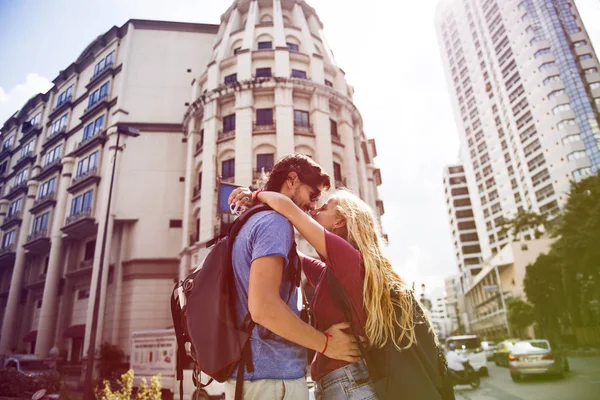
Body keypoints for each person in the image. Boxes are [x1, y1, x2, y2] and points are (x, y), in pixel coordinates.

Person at [229, 186, 429, 399]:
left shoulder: (350, 260)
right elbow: (291, 252)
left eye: (324, 208)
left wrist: (254, 195)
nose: (315, 210)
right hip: (340, 384)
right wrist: (255, 214)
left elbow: (288, 208)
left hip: (349, 385)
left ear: (340, 221)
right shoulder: (333, 272)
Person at [225, 154, 362, 400]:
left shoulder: (254, 221)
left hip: (253, 375)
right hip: (274, 379)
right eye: (313, 196)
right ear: (292, 180)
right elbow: (264, 308)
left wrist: (254, 197)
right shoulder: (275, 223)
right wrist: (326, 343)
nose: (312, 206)